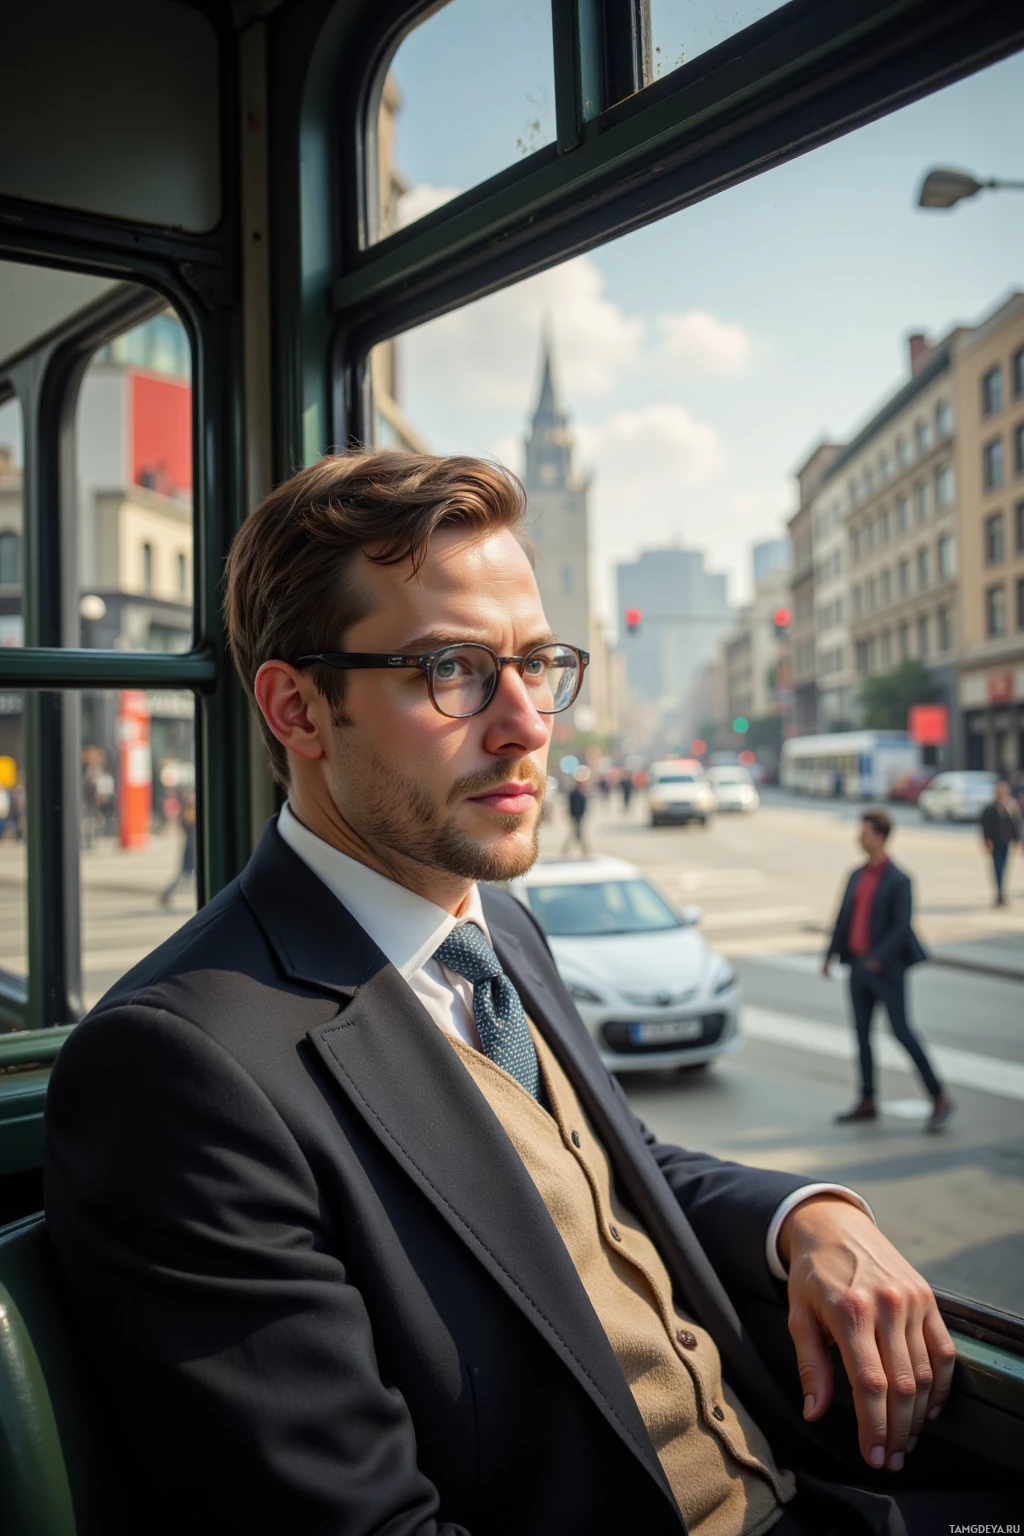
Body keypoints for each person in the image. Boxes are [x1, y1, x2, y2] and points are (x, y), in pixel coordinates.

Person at [47, 452, 1009, 1536]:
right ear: (298, 709)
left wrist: (806, 1216)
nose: (527, 724)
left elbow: (609, 1168)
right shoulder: (182, 1071)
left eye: (537, 663)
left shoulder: (492, 923)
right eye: (451, 669)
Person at [824, 809, 952, 1134]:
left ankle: (939, 1096)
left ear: (879, 836)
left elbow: (901, 927)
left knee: (902, 1032)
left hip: (886, 970)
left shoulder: (899, 879)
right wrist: (830, 955)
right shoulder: (856, 875)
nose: (858, 837)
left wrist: (878, 959)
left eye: (864, 831)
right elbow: (844, 919)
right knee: (861, 1035)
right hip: (857, 965)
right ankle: (867, 1099)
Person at [979, 778, 1021, 907]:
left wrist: (1019, 841)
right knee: (997, 868)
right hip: (995, 843)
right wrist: (986, 840)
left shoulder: (1011, 806)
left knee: (1004, 868)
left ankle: (1002, 894)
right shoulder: (990, 808)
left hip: (1006, 842)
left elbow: (1016, 825)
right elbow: (985, 826)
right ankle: (999, 894)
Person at [158, 788, 196, 907]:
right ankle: (166, 894)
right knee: (183, 875)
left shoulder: (187, 814)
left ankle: (166, 894)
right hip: (191, 850)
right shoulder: (189, 814)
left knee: (184, 875)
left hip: (191, 849)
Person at [562, 775, 590, 855]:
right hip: (575, 816)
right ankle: (585, 849)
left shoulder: (582, 791)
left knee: (576, 832)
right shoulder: (574, 793)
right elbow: (571, 806)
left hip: (580, 815)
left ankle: (583, 849)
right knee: (577, 832)